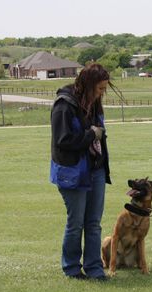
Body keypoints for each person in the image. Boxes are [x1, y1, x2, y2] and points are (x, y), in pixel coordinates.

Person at [50, 64, 114, 281]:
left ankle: (95, 268)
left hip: (95, 170)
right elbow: (63, 141)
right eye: (99, 89)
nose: (101, 93)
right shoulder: (64, 105)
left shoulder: (94, 104)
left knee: (94, 223)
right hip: (73, 173)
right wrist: (90, 135)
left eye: (104, 89)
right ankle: (71, 268)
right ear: (87, 85)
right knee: (76, 222)